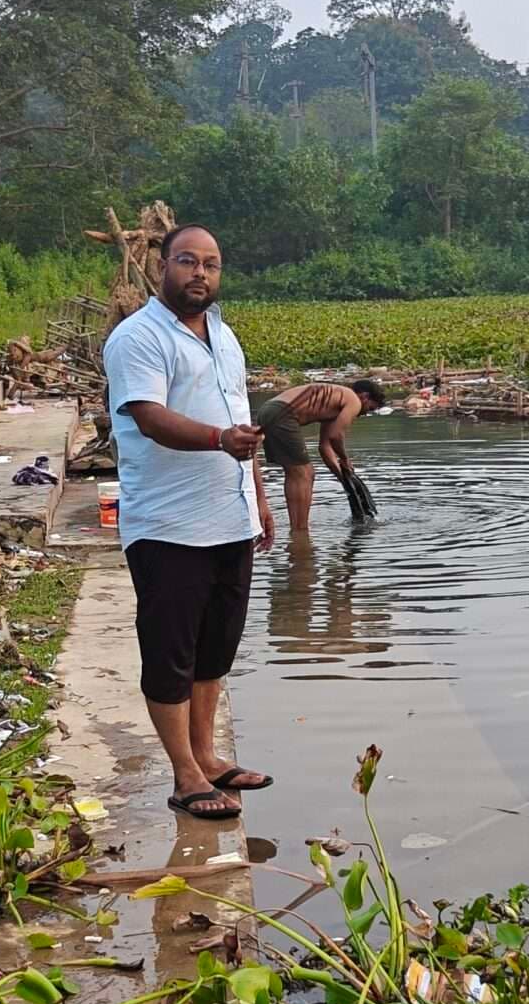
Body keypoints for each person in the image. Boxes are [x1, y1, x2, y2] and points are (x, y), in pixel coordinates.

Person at [101, 224, 275, 822]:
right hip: (168, 525)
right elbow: (149, 418)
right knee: (170, 652)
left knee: (215, 649)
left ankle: (206, 755)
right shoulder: (139, 337)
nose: (201, 273)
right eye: (188, 262)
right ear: (162, 265)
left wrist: (260, 497)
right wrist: (218, 439)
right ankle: (184, 774)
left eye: (212, 264)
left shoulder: (225, 336)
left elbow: (242, 422)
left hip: (231, 518)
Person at [254, 379, 390, 534]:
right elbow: (336, 436)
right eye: (370, 408)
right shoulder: (353, 399)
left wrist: (343, 476)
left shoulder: (336, 402)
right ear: (365, 397)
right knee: (303, 473)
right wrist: (345, 459)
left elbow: (325, 447)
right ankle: (300, 532)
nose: (365, 413)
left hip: (270, 410)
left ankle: (297, 529)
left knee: (299, 472)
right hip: (282, 412)